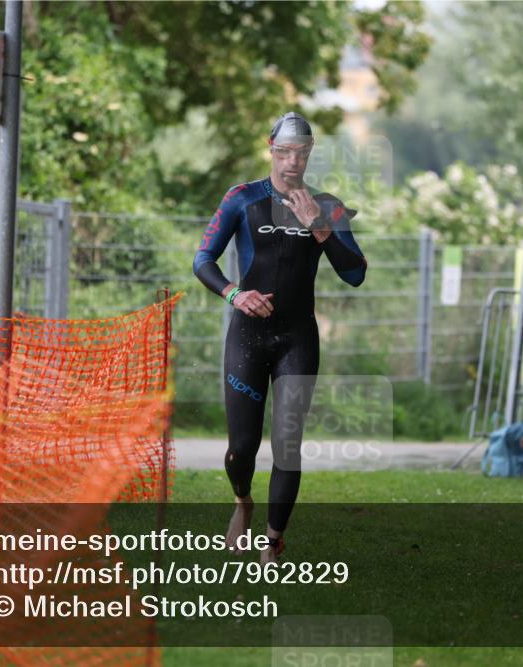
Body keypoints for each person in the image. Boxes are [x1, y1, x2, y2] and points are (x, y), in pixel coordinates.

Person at [192, 112, 367, 563]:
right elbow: (202, 260)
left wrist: (319, 227)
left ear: (310, 154)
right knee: (242, 448)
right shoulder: (241, 198)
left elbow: (355, 274)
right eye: (284, 152)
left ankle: (272, 540)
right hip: (247, 337)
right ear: (271, 147)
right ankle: (242, 502)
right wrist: (234, 294)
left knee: (288, 444)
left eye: (302, 153)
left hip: (297, 338)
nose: (292, 162)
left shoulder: (326, 205)